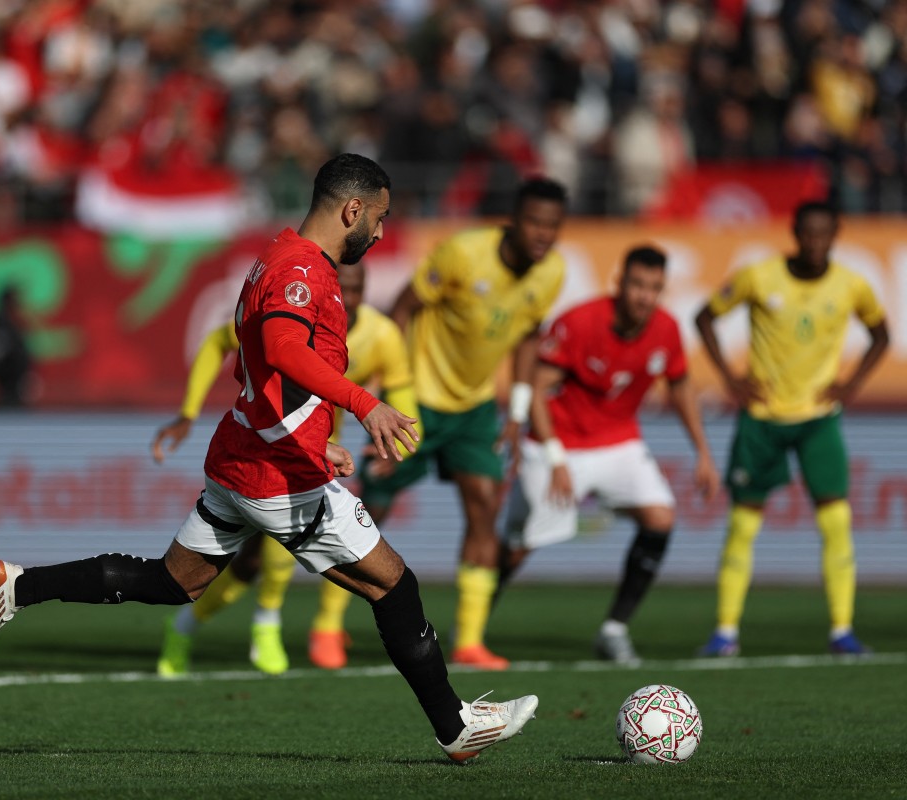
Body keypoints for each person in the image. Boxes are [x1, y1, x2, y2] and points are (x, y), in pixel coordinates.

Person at [0, 153, 539, 762]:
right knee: (393, 585)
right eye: (381, 219)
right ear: (353, 210)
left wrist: (317, 437)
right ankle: (455, 727)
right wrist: (365, 406)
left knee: (173, 581)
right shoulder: (301, 271)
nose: (382, 233)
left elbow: (256, 371)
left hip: (245, 455)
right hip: (275, 477)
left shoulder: (276, 255)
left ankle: (16, 585)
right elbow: (282, 349)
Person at [151, 259, 420, 675]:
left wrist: (393, 444)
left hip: (318, 453)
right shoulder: (295, 319)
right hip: (260, 451)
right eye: (341, 289)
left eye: (356, 291)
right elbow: (216, 344)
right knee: (246, 564)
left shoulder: (381, 336)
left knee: (267, 560)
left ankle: (277, 626)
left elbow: (401, 396)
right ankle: (232, 624)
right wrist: (188, 412)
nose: (347, 300)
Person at [364, 178, 568, 669]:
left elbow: (527, 338)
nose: (543, 235)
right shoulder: (462, 254)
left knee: (484, 505)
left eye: (553, 227)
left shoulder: (551, 273)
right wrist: (392, 391)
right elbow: (403, 309)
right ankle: (328, 625)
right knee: (374, 501)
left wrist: (517, 412)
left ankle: (470, 640)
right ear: (514, 221)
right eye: (536, 223)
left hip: (476, 409)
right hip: (420, 399)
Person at [498, 245, 720, 663]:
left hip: (618, 441)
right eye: (637, 285)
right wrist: (556, 457)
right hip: (559, 442)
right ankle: (472, 624)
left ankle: (614, 629)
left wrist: (703, 452)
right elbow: (537, 392)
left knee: (661, 518)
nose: (644, 296)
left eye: (654, 288)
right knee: (518, 548)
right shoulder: (579, 323)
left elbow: (680, 387)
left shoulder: (667, 330)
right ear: (620, 283)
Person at [695, 201, 890, 657]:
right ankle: (725, 632)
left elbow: (881, 335)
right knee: (743, 525)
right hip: (762, 419)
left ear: (836, 234)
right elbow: (704, 317)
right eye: (808, 233)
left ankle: (842, 630)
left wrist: (851, 384)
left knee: (836, 521)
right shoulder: (758, 276)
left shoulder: (851, 285)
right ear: (795, 232)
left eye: (824, 234)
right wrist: (730, 377)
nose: (815, 242)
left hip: (817, 419)